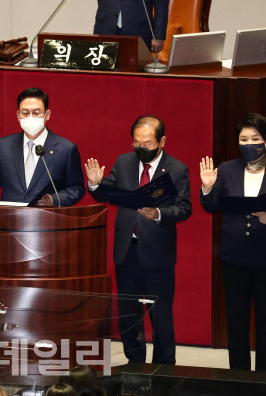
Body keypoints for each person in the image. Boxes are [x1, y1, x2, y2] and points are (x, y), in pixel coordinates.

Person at [85, 115, 191, 365]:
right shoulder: (124, 162)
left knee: (161, 317)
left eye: (147, 145)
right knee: (128, 316)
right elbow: (108, 191)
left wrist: (158, 214)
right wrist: (95, 184)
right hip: (127, 252)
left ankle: (164, 369)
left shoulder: (176, 169)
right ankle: (135, 367)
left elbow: (184, 208)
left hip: (158, 255)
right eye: (136, 144)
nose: (141, 149)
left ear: (162, 141)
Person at [199, 113, 266, 372]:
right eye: (244, 139)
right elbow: (211, 207)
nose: (249, 144)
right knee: (236, 322)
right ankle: (239, 379)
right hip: (234, 258)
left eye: (255, 139)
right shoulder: (226, 169)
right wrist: (208, 187)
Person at [0, 87, 85, 206]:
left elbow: (76, 188)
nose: (30, 117)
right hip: (9, 220)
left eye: (36, 113)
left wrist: (54, 199)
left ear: (47, 115)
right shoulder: (4, 145)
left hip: (47, 219)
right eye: (25, 113)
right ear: (18, 116)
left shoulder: (66, 149)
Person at [72, 0, 169, 52]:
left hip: (139, 31)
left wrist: (158, 36)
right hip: (105, 29)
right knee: (104, 75)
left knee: (135, 76)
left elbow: (162, 5)